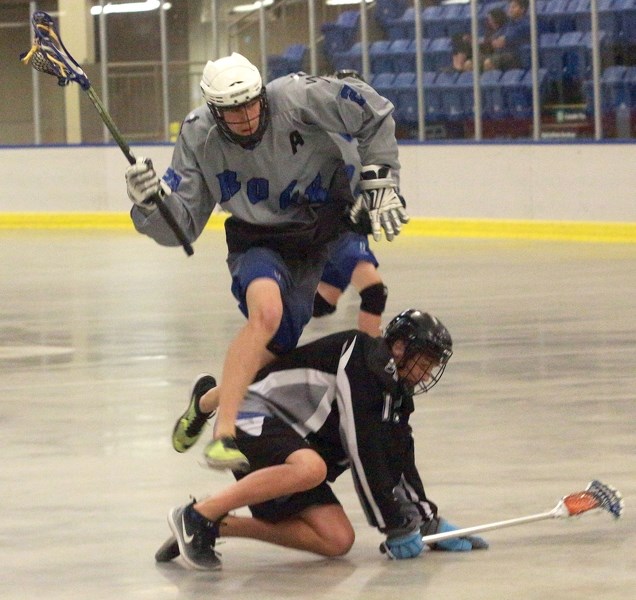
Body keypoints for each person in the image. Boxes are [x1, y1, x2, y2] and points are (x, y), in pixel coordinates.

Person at [125, 53, 409, 471]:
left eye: (250, 104)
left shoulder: (297, 96)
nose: (244, 117)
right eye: (230, 110)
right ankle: (224, 435)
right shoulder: (198, 134)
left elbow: (374, 111)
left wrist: (381, 178)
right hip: (257, 238)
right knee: (266, 315)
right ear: (212, 110)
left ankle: (203, 403)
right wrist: (152, 204)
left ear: (261, 93)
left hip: (314, 237)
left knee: (272, 355)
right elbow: (182, 226)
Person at [156, 309, 488, 570]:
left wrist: (427, 520)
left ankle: (213, 523)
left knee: (337, 539)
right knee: (311, 468)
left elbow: (399, 456)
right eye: (425, 361)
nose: (428, 372)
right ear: (400, 348)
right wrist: (394, 526)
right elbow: (365, 450)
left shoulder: (395, 394)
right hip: (250, 413)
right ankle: (196, 517)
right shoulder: (363, 362)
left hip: (291, 444)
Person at [313, 69, 388, 338]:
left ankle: (270, 322)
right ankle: (371, 364)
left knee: (321, 303)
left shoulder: (364, 139)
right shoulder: (321, 137)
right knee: (373, 292)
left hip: (347, 229)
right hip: (336, 229)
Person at [483, 0, 530, 72]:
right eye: (510, 7)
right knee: (470, 63)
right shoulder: (509, 23)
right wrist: (495, 40)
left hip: (516, 55)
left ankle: (492, 82)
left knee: (488, 63)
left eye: (514, 7)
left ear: (522, 9)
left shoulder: (526, 24)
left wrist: (503, 40)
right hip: (502, 54)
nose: (510, 9)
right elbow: (496, 37)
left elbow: (509, 38)